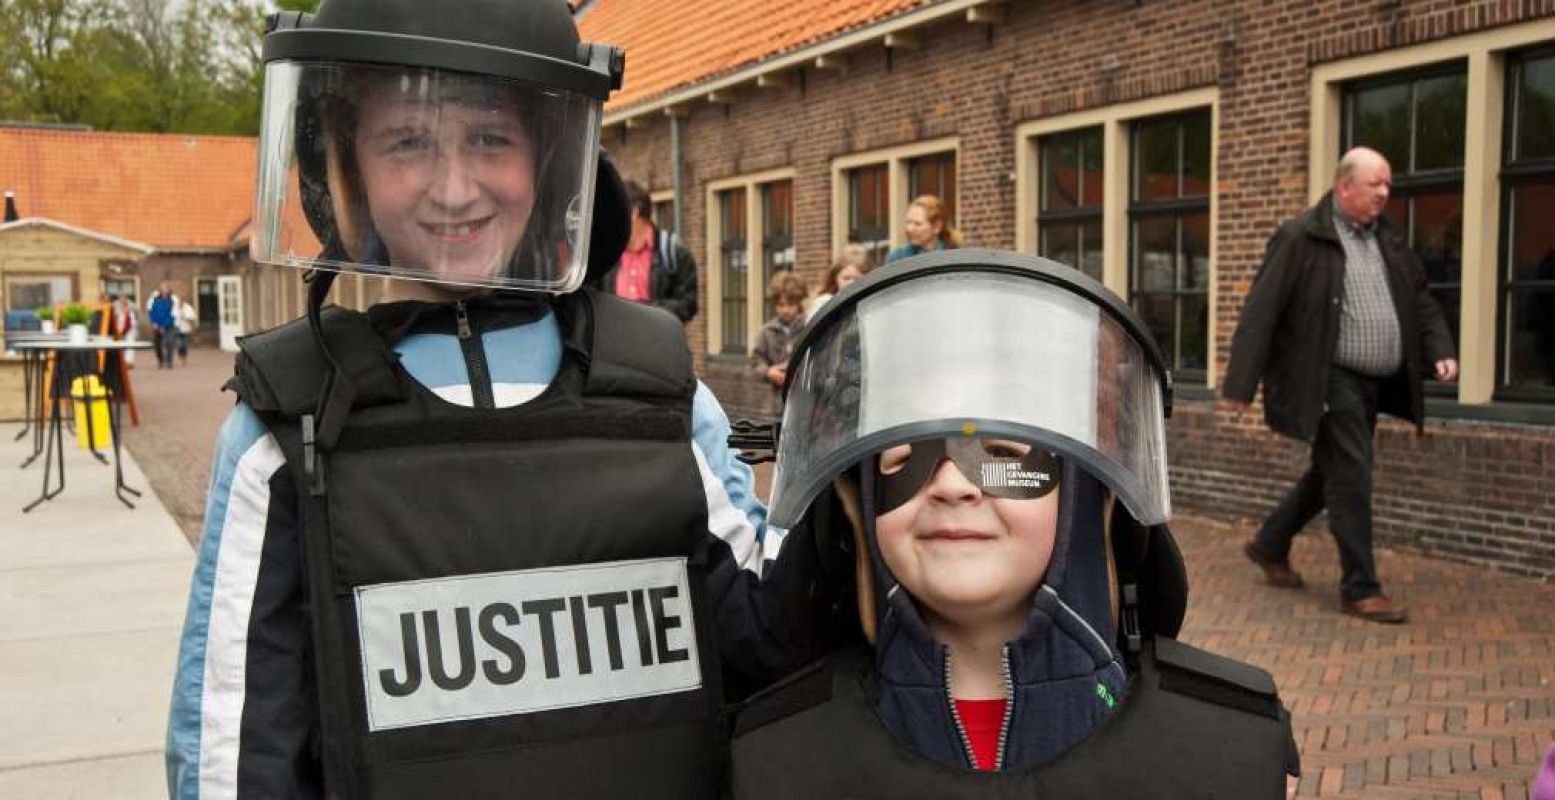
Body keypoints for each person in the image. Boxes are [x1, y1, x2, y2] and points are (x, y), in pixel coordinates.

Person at [165, 3, 838, 797]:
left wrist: (858, 486)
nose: (453, 188)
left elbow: (764, 636)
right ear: (345, 168)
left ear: (550, 161)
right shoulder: (288, 431)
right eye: (406, 141)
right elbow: (236, 759)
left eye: (490, 137)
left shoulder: (660, 393)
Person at [730, 249, 1298, 797]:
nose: (952, 484)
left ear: (1085, 494)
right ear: (859, 508)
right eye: (903, 458)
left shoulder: (1224, 754)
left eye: (999, 450)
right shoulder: (782, 759)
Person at [1222, 147, 1458, 625]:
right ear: (1345, 186)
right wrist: (1240, 383)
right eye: (1377, 185)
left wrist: (1440, 348)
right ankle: (1361, 588)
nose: (1385, 194)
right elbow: (1261, 310)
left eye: (1388, 185)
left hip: (1376, 382)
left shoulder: (1387, 239)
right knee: (1352, 474)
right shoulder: (1301, 237)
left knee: (1331, 470)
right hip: (1329, 377)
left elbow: (1419, 300)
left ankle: (1270, 542)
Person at [593, 179, 698, 322]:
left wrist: (646, 312)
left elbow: (688, 304)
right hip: (614, 340)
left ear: (633, 213)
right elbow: (592, 297)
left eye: (613, 211)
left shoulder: (674, 253)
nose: (608, 219)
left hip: (656, 341)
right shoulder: (606, 254)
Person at [753, 271, 808, 417]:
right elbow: (756, 361)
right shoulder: (767, 331)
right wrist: (768, 371)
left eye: (790, 305)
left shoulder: (808, 327)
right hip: (775, 402)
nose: (785, 310)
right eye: (781, 305)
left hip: (803, 399)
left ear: (799, 303)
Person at [883, 194, 963, 264]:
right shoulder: (897, 258)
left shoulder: (954, 258)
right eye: (908, 222)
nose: (909, 229)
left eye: (917, 224)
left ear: (936, 227)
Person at [803, 244, 872, 324]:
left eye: (857, 279)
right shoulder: (824, 304)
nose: (851, 283)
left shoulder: (873, 304)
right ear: (835, 278)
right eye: (846, 278)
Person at [147, 283, 176, 369]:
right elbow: (152, 312)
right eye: (162, 288)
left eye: (165, 288)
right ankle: (160, 360)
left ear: (168, 289)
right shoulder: (155, 300)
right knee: (157, 345)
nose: (163, 289)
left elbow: (172, 314)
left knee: (169, 343)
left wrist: (164, 325)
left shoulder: (172, 300)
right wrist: (154, 323)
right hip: (157, 325)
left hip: (168, 325)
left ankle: (169, 361)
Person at [175, 296, 197, 366]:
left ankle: (184, 359)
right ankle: (181, 358)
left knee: (184, 345)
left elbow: (193, 317)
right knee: (179, 345)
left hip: (185, 329)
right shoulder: (175, 308)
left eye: (182, 301)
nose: (180, 302)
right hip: (177, 329)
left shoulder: (188, 308)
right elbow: (173, 317)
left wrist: (185, 316)